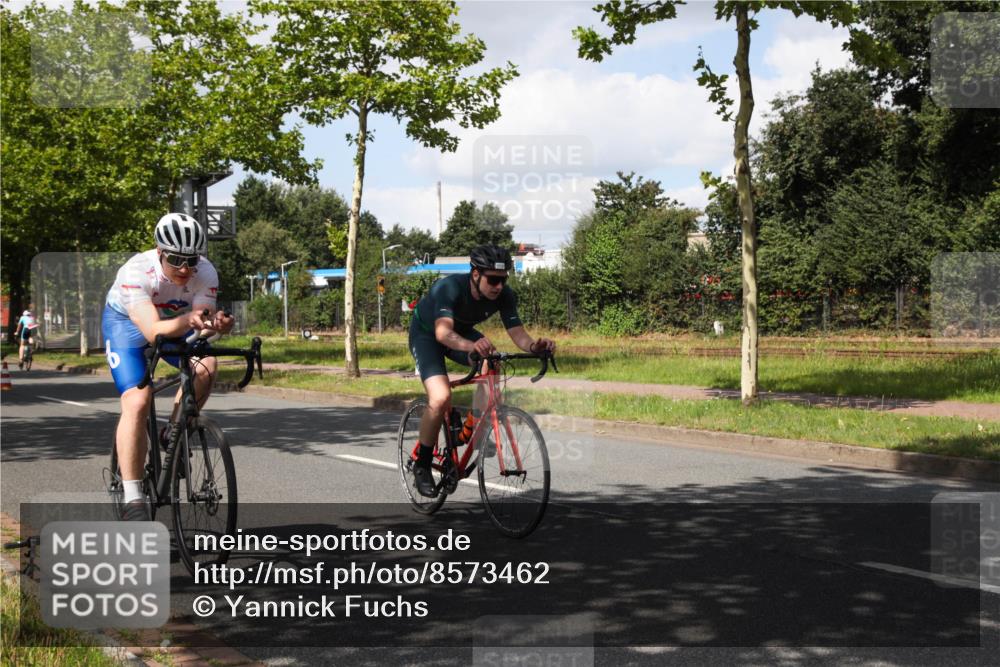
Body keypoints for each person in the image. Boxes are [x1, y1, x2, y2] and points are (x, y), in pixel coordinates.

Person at [103, 213, 234, 520]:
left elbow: (202, 323)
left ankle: (172, 432)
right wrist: (190, 320)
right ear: (159, 252)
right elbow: (152, 332)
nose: (185, 269)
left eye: (191, 259)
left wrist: (218, 325)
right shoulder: (136, 271)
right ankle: (133, 497)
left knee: (206, 365)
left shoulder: (205, 272)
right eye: (175, 260)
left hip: (174, 324)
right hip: (128, 328)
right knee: (137, 401)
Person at [407, 244, 556, 497]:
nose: (499, 286)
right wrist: (472, 346)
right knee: (441, 397)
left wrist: (534, 346)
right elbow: (442, 333)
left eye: (503, 280)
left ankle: (469, 429)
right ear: (475, 274)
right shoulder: (450, 288)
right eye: (493, 280)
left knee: (492, 361)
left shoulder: (504, 295)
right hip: (427, 335)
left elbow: (518, 334)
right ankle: (421, 465)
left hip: (461, 333)